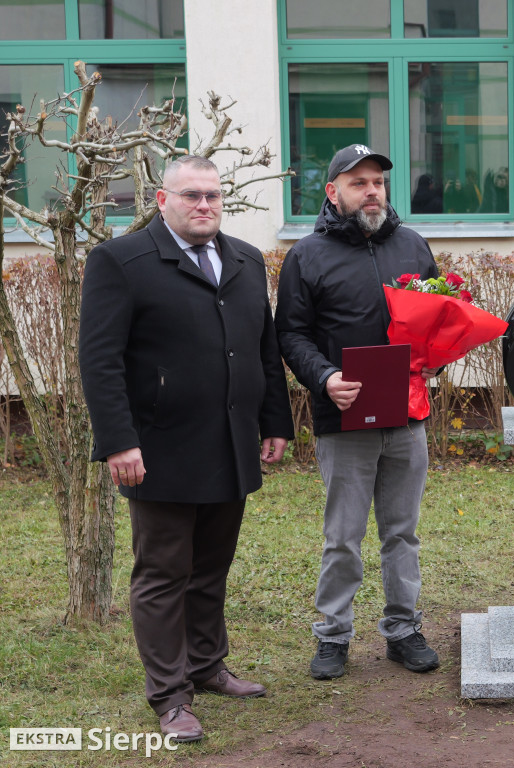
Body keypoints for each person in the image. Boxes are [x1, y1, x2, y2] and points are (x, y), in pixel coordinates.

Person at [79, 155, 294, 743]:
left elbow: (263, 348)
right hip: (158, 449)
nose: (204, 205)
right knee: (163, 573)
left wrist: (274, 420)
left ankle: (206, 665)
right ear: (161, 199)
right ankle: (171, 696)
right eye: (191, 195)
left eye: (213, 196)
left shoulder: (246, 259)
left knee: (211, 568)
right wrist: (119, 441)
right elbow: (99, 361)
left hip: (230, 443)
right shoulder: (121, 261)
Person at [275, 143, 442, 681]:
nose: (372, 192)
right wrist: (325, 378)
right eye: (358, 183)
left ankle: (403, 630)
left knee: (402, 533)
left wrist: (435, 358)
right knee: (343, 537)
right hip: (343, 419)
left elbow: (439, 318)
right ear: (333, 192)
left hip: (407, 416)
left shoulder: (412, 245)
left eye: (378, 182)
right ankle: (333, 635)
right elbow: (291, 334)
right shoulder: (307, 256)